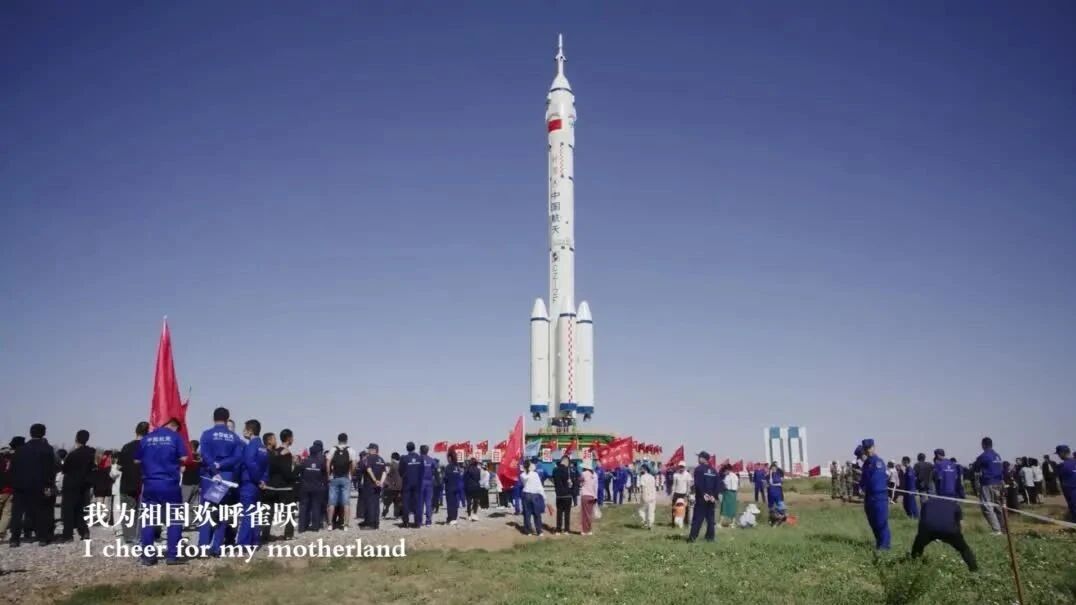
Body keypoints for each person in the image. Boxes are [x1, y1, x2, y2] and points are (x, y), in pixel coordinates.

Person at [136, 417, 189, 565]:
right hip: (169, 484)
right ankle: (172, 556)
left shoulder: (146, 439)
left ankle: (147, 556)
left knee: (148, 521)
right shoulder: (175, 437)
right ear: (173, 426)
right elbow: (185, 457)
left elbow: (136, 460)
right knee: (174, 520)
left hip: (150, 484)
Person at [198, 407, 244, 555]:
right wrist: (221, 464)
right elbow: (237, 457)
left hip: (210, 477)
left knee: (207, 512)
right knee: (222, 513)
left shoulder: (207, 434)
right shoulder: (234, 438)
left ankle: (203, 546)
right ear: (227, 418)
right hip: (226, 477)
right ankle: (216, 547)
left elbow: (204, 454)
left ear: (213, 418)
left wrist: (213, 466)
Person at [8, 424, 58, 547]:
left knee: (17, 513)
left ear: (30, 433)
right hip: (39, 485)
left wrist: (15, 483)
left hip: (20, 485)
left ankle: (14, 538)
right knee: (42, 511)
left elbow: (13, 469)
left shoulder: (20, 449)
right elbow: (50, 469)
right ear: (43, 433)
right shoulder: (47, 449)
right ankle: (42, 537)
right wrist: (49, 484)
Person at [911, 497, 978, 571]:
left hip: (928, 528)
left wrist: (921, 535)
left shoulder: (926, 503)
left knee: (917, 546)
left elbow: (922, 520)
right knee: (964, 549)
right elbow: (960, 524)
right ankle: (974, 569)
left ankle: (913, 564)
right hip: (950, 530)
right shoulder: (955, 505)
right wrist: (958, 538)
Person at [236, 420, 268, 546]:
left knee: (247, 514)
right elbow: (266, 467)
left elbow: (250, 463)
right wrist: (263, 480)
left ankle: (243, 544)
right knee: (256, 513)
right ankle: (255, 540)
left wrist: (257, 479)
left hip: (249, 482)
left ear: (250, 431)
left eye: (245, 429)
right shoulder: (263, 447)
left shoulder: (251, 446)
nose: (243, 431)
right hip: (259, 485)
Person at [60, 430, 95, 542]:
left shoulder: (73, 454)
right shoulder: (90, 454)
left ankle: (68, 535)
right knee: (80, 510)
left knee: (68, 510)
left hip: (71, 484)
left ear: (76, 438)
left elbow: (65, 469)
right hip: (84, 485)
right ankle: (84, 531)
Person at [116, 422, 148, 545]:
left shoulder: (127, 447)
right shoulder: (149, 447)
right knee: (142, 512)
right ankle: (140, 536)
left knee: (128, 512)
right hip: (143, 485)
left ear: (136, 431)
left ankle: (129, 538)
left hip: (127, 484)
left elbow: (118, 467)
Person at [859, 439, 890, 551]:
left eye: (869, 448)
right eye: (866, 449)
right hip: (869, 497)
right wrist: (861, 487)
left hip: (879, 497)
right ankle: (879, 543)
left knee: (881, 522)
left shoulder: (878, 462)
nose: (868, 451)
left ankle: (884, 547)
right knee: (873, 522)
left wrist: (865, 487)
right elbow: (864, 479)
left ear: (873, 447)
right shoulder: (866, 464)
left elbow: (876, 481)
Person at [971, 437, 1005, 535]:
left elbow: (975, 469)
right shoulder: (997, 456)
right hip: (998, 483)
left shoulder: (983, 456)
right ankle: (1003, 528)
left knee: (986, 506)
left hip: (987, 483)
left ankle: (996, 529)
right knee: (998, 507)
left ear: (983, 445)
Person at [325, 433, 355, 530]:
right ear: (346, 440)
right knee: (346, 502)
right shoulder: (351, 450)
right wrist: (351, 474)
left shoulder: (333, 449)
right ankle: (345, 525)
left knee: (331, 502)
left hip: (334, 477)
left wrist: (328, 475)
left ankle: (330, 524)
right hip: (345, 478)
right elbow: (354, 464)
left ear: (338, 440)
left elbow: (328, 463)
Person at [688, 452, 719, 542]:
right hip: (711, 499)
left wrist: (703, 494)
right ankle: (710, 538)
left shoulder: (699, 469)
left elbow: (698, 483)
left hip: (702, 498)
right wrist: (714, 496)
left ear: (703, 459)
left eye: (699, 457)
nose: (698, 459)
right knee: (710, 520)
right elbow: (718, 484)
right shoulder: (714, 470)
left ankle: (692, 538)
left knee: (697, 519)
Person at [297, 441, 327, 532]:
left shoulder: (304, 462)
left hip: (305, 487)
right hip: (317, 487)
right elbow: (324, 474)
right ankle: (315, 526)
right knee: (316, 506)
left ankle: (302, 527)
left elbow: (300, 473)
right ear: (318, 452)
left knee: (303, 507)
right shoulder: (321, 463)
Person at [400, 442, 422, 528]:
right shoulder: (419, 458)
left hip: (407, 483)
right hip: (417, 483)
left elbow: (400, 471)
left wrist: (405, 476)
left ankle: (406, 522)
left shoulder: (404, 458)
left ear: (407, 449)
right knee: (417, 503)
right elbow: (422, 470)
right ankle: (417, 523)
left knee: (406, 502)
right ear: (414, 448)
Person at [520, 460, 544, 537]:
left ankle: (528, 531)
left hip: (526, 494)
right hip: (535, 495)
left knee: (527, 514)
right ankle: (539, 531)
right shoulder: (535, 474)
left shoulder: (522, 475)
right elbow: (539, 486)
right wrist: (543, 496)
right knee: (537, 514)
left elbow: (525, 478)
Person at [552, 455, 573, 534]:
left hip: (559, 495)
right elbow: (570, 483)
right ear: (566, 461)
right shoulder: (568, 471)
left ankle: (558, 529)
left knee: (559, 513)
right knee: (567, 513)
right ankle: (566, 529)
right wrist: (570, 483)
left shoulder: (555, 470)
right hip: (567, 494)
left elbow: (553, 480)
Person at [1056, 445, 1075, 521]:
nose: (1058, 456)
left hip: (1071, 492)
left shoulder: (1061, 466)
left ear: (1062, 453)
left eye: (1058, 454)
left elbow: (1060, 481)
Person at [444, 452, 464, 525]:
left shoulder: (448, 467)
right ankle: (454, 518)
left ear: (450, 458)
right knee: (455, 503)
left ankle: (451, 518)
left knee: (450, 504)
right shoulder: (457, 466)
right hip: (457, 487)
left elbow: (446, 478)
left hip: (450, 487)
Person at [671, 461, 692, 526]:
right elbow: (674, 485)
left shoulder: (688, 475)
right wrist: (672, 493)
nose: (681, 468)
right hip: (676, 493)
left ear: (684, 467)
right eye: (680, 466)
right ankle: (674, 522)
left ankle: (685, 522)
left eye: (682, 467)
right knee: (674, 508)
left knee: (685, 509)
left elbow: (688, 485)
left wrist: (687, 494)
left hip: (684, 494)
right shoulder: (675, 475)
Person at [382, 453, 402, 519]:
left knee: (387, 502)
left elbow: (387, 473)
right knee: (397, 502)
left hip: (390, 486)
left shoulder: (391, 465)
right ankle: (396, 515)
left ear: (392, 458)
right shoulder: (401, 465)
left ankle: (384, 514)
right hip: (399, 486)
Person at [579, 461, 597, 535]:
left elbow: (580, 480)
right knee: (589, 513)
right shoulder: (594, 474)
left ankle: (584, 530)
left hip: (585, 495)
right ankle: (589, 530)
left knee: (584, 514)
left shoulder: (583, 474)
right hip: (592, 496)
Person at [181, 440, 201, 506]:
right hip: (197, 482)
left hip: (187, 483)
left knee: (185, 503)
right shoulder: (200, 457)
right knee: (194, 505)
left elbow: (182, 469)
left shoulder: (187, 457)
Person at [638, 464, 657, 529]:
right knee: (651, 510)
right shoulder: (652, 477)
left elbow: (643, 487)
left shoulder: (642, 477)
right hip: (653, 495)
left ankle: (644, 521)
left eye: (641, 469)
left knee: (642, 510)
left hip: (646, 494)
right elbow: (654, 486)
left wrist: (643, 495)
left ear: (644, 469)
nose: (641, 470)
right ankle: (650, 524)